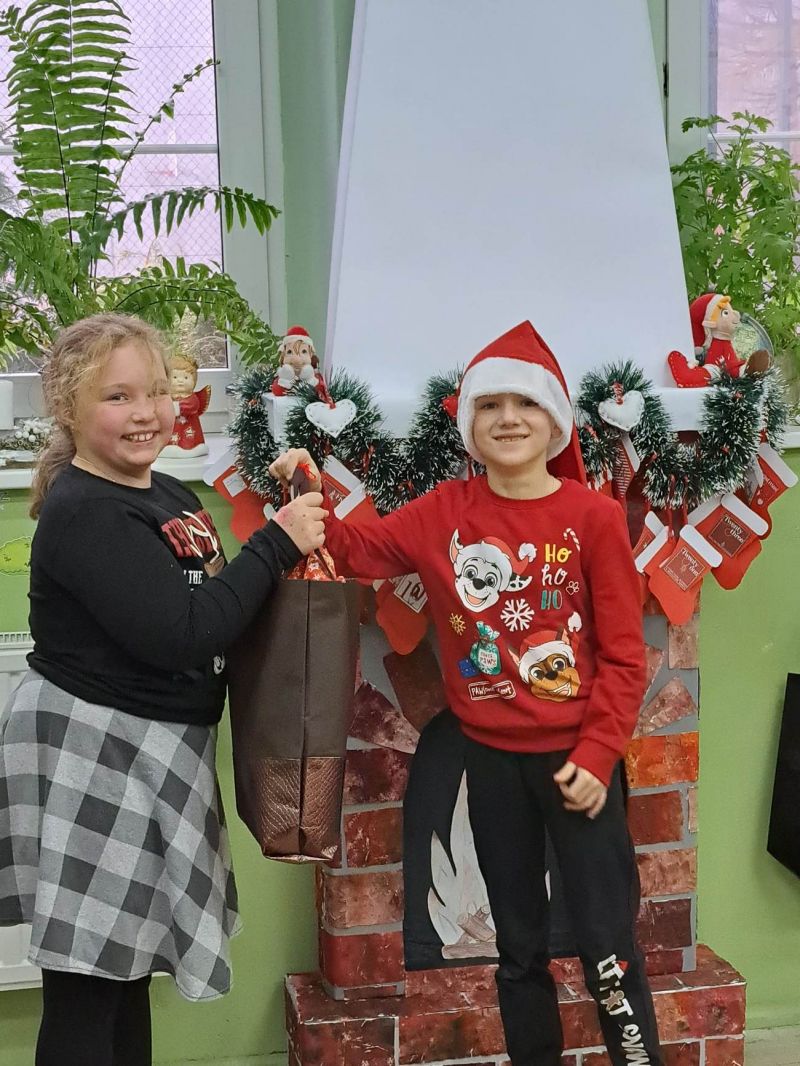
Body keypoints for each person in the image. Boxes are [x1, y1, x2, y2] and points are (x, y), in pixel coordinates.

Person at [270, 320, 663, 1066]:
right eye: (490, 405)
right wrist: (305, 485)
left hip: (580, 766)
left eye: (526, 402)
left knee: (609, 950)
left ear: (555, 420)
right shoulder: (441, 513)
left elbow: (622, 655)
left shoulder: (594, 519)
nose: (508, 418)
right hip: (491, 766)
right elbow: (355, 549)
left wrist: (598, 752)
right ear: (469, 424)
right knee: (517, 949)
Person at [0, 313, 326, 1066]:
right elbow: (183, 633)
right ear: (68, 409)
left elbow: (217, 597)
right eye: (117, 397)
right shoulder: (86, 512)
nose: (145, 412)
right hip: (97, 753)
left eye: (155, 392)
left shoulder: (165, 494)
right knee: (87, 985)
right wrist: (276, 540)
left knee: (124, 974)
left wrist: (282, 508)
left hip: (151, 752)